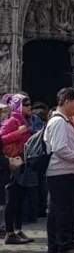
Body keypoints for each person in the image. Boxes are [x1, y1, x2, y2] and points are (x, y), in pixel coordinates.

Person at [43, 88, 74, 253]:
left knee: (57, 210)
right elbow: (60, 149)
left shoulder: (63, 121)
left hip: (64, 171)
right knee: (64, 210)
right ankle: (65, 244)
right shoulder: (59, 122)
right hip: (62, 172)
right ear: (67, 101)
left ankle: (56, 243)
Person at [1, 96, 33, 244]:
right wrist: (18, 133)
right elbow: (1, 139)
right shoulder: (12, 121)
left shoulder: (25, 120)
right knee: (12, 199)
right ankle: (9, 232)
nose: (29, 107)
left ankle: (18, 229)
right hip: (12, 162)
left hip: (22, 161)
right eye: (26, 104)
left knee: (20, 198)